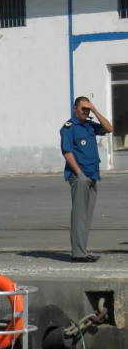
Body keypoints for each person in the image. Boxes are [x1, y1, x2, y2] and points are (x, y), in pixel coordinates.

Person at [61, 97, 113, 263]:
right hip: (80, 177)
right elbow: (67, 152)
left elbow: (109, 128)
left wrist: (96, 110)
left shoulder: (89, 125)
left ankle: (82, 251)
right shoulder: (69, 127)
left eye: (88, 109)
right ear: (75, 108)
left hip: (92, 175)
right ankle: (78, 253)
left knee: (87, 215)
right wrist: (79, 174)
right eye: (83, 108)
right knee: (79, 216)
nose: (85, 111)